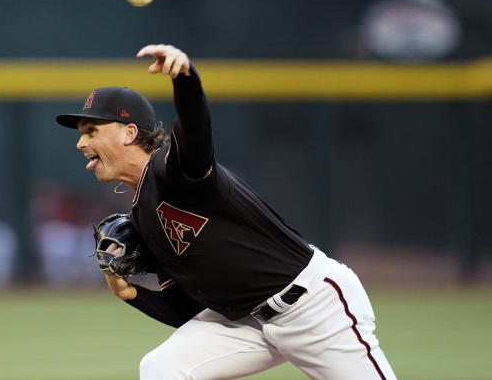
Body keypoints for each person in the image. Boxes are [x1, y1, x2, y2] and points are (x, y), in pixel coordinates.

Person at [56, 44, 396, 379]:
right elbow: (187, 308)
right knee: (163, 368)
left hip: (312, 307)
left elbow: (195, 132)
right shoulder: (143, 214)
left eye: (91, 132)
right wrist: (132, 294)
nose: (80, 143)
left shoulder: (170, 169)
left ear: (129, 133)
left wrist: (186, 79)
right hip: (245, 323)